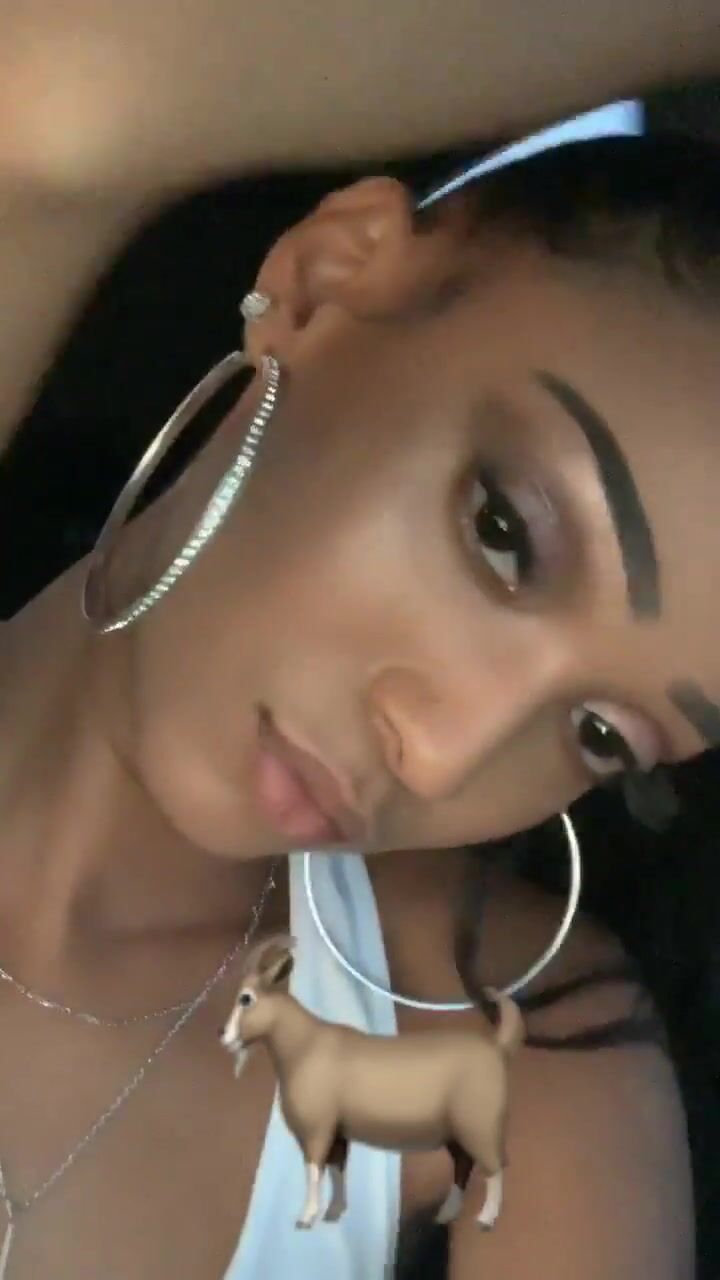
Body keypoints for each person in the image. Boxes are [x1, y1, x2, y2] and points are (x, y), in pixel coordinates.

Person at [1, 8, 720, 1279]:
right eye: (504, 533)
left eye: (602, 732)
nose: (443, 755)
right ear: (328, 279)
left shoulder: (534, 1069)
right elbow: (62, 96)